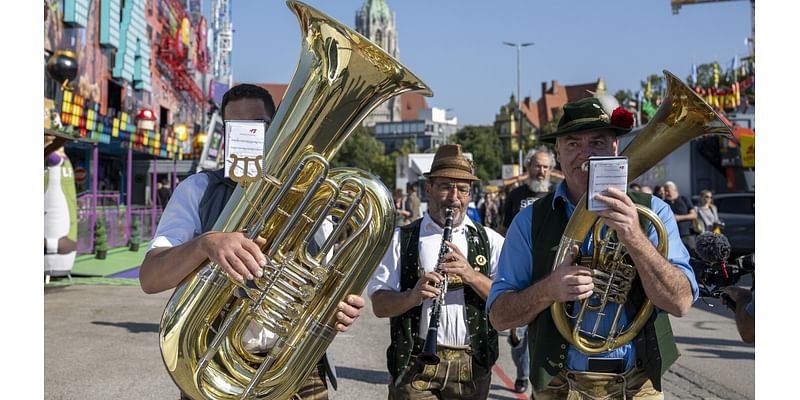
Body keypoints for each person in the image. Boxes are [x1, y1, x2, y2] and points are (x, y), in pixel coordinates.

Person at [140, 83, 364, 400]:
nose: (247, 134)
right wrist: (206, 244)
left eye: (258, 126)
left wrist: (340, 306)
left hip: (297, 370)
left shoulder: (313, 195)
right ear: (225, 133)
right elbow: (150, 278)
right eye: (236, 127)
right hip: (215, 368)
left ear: (276, 128)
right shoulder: (198, 189)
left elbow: (324, 285)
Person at [487, 97, 698, 399]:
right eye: (572, 144)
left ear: (615, 147)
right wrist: (549, 290)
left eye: (597, 142)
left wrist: (635, 238)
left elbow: (680, 303)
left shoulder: (655, 212)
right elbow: (499, 317)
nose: (585, 155)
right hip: (559, 387)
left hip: (638, 386)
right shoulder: (529, 221)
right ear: (557, 152)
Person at [368, 144, 505, 399]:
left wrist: (471, 275)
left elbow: (508, 303)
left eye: (462, 189)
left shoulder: (491, 240)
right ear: (428, 188)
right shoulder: (402, 238)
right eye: (445, 187)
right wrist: (412, 297)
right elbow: (378, 305)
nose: (454, 197)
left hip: (472, 366)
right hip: (415, 364)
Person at [498, 146, 556, 236]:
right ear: (528, 167)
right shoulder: (515, 194)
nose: (542, 171)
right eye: (537, 166)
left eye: (545, 167)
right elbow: (505, 226)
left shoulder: (557, 195)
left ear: (550, 169)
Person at [663, 181, 698, 254]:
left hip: (687, 236)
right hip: (671, 237)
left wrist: (679, 218)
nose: (666, 193)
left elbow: (694, 215)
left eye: (668, 191)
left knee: (692, 256)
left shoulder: (684, 199)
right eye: (665, 191)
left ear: (675, 190)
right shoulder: (664, 202)